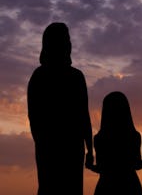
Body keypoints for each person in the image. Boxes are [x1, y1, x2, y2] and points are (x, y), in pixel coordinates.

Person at [27, 22, 93, 195]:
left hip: (59, 146)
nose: (69, 44)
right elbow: (83, 116)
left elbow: (83, 115)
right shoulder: (72, 77)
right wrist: (90, 149)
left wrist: (89, 148)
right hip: (59, 145)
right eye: (66, 40)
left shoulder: (40, 76)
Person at [86, 91, 142, 195]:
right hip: (131, 186)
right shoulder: (134, 137)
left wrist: (90, 166)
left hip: (105, 186)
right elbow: (135, 165)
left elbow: (102, 169)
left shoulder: (99, 139)